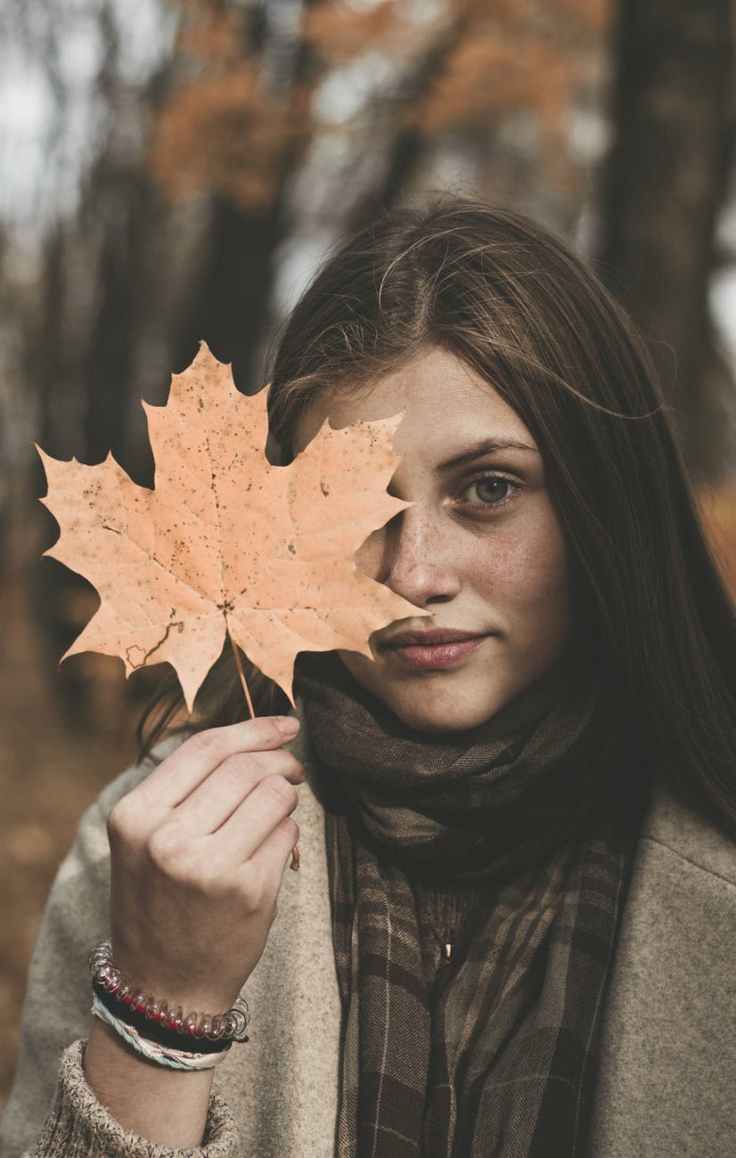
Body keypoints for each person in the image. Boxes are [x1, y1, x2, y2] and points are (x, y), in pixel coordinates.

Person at [1, 196, 735, 1158]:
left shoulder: (709, 852)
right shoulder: (151, 857)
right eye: (356, 507)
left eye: (489, 490)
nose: (412, 574)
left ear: (604, 505)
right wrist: (163, 1014)